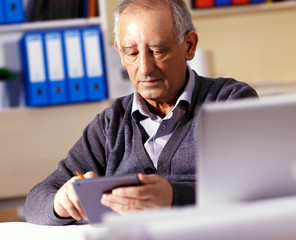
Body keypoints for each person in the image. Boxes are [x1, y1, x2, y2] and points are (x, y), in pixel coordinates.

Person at [23, 0, 258, 226]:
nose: (145, 69)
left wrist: (175, 198)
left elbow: (256, 188)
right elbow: (35, 201)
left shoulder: (229, 102)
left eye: (157, 50)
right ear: (119, 51)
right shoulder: (110, 124)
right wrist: (60, 203)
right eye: (132, 53)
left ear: (189, 45)